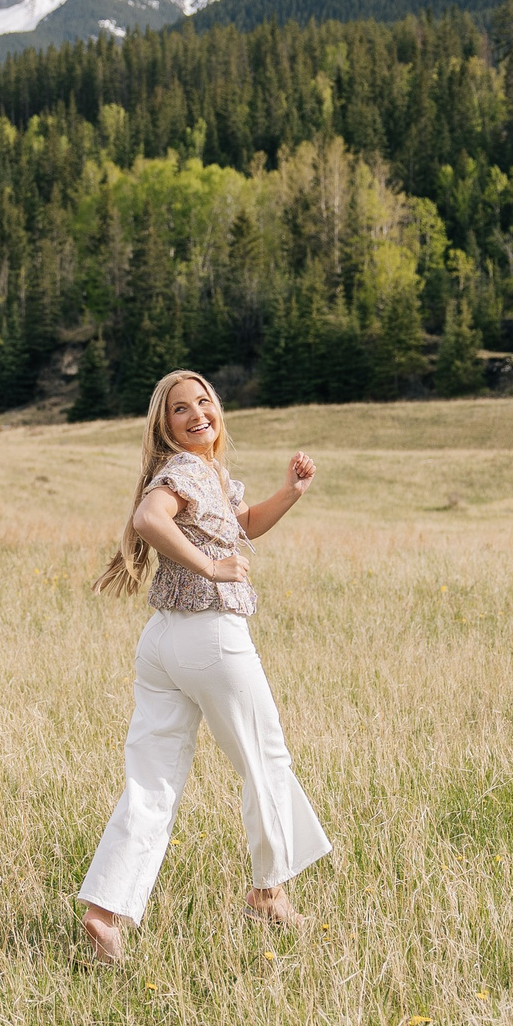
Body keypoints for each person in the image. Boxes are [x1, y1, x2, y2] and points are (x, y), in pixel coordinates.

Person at [75, 369, 330, 963]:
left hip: (162, 642)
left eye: (203, 402)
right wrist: (212, 569)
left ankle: (105, 912)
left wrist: (290, 491)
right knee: (265, 759)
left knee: (153, 779)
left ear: (217, 408)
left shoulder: (212, 474)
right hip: (210, 636)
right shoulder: (185, 470)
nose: (196, 414)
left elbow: (245, 526)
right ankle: (268, 891)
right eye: (179, 410)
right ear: (165, 428)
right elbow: (148, 520)